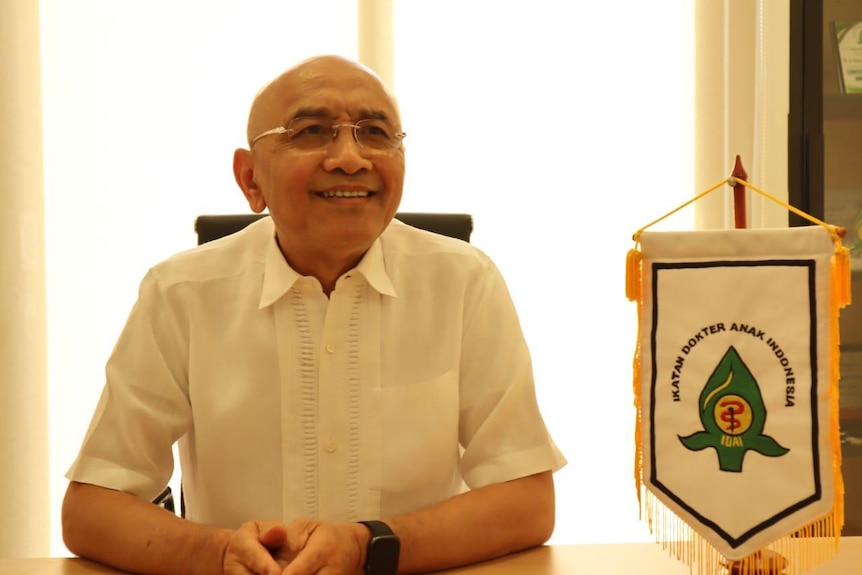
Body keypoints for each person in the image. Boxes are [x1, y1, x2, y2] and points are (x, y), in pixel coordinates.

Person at [62, 54, 566, 575]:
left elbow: (526, 501)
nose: (350, 157)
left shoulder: (464, 282)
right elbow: (91, 511)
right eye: (312, 130)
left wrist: (367, 548)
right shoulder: (180, 293)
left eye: (375, 131)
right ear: (250, 178)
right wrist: (219, 554)